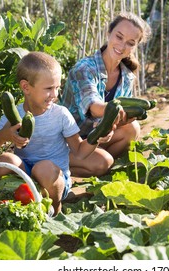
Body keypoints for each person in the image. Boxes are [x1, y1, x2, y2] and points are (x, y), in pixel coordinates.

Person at [0, 51, 113, 215]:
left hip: (54, 179)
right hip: (24, 178)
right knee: (5, 161)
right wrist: (4, 135)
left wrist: (98, 136)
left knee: (43, 169)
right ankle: (11, 205)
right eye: (48, 89)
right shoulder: (14, 114)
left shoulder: (60, 114)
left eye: (57, 88)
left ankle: (55, 211)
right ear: (26, 87)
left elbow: (80, 151)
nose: (54, 95)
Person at [60, 11, 152, 178]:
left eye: (130, 43)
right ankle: (51, 167)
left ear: (135, 46)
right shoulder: (85, 68)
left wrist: (119, 121)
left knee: (132, 128)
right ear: (109, 33)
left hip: (93, 137)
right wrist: (113, 112)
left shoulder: (126, 77)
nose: (122, 46)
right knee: (103, 162)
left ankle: (99, 166)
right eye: (119, 37)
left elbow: (112, 121)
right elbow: (94, 107)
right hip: (67, 140)